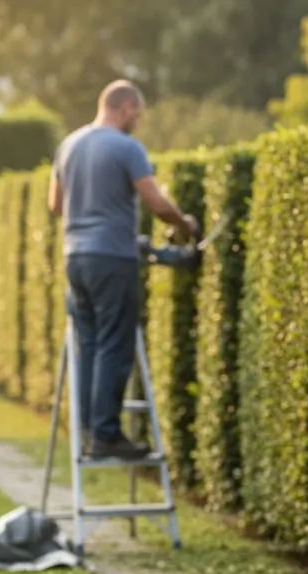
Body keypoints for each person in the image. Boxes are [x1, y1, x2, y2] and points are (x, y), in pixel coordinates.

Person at [49, 80, 198, 460]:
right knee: (115, 344)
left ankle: (87, 430)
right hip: (112, 258)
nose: (139, 121)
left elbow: (55, 205)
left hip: (75, 258)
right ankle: (107, 436)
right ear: (126, 106)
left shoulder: (69, 144)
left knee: (91, 345)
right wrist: (185, 226)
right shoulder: (126, 148)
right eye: (138, 113)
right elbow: (156, 203)